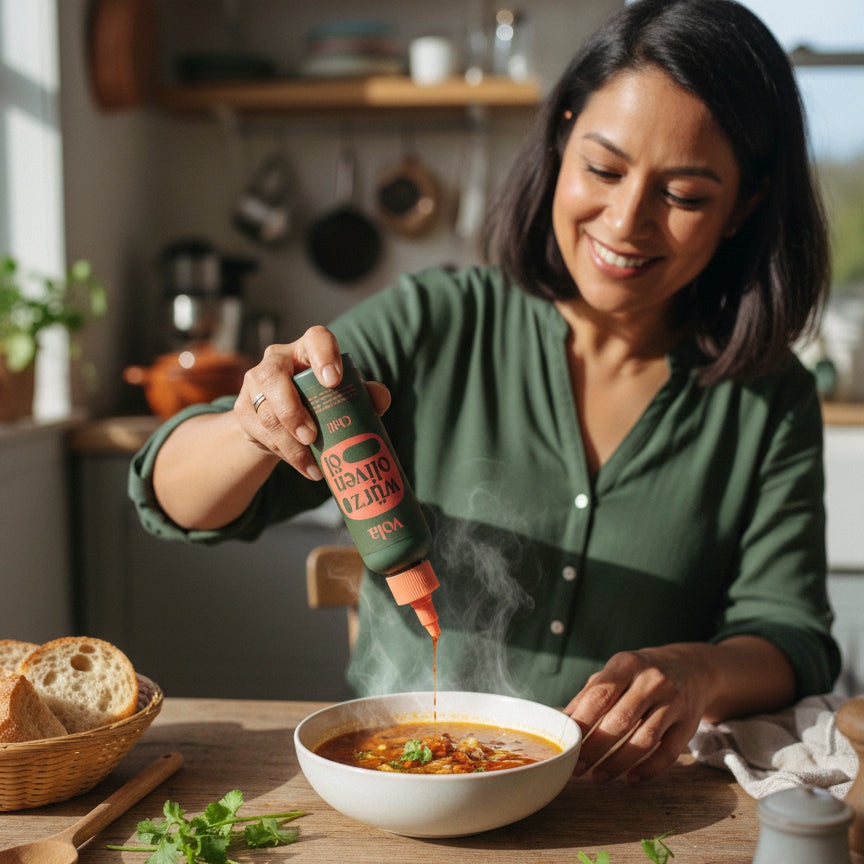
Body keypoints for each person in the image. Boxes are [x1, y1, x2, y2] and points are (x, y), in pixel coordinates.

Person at [130, 0, 841, 784]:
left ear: (743, 205)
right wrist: (251, 427)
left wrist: (700, 670)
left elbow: (793, 636)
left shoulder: (769, 399)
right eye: (603, 168)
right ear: (564, 136)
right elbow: (172, 498)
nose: (627, 220)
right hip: (403, 796)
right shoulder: (436, 320)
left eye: (685, 195)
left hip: (633, 805)